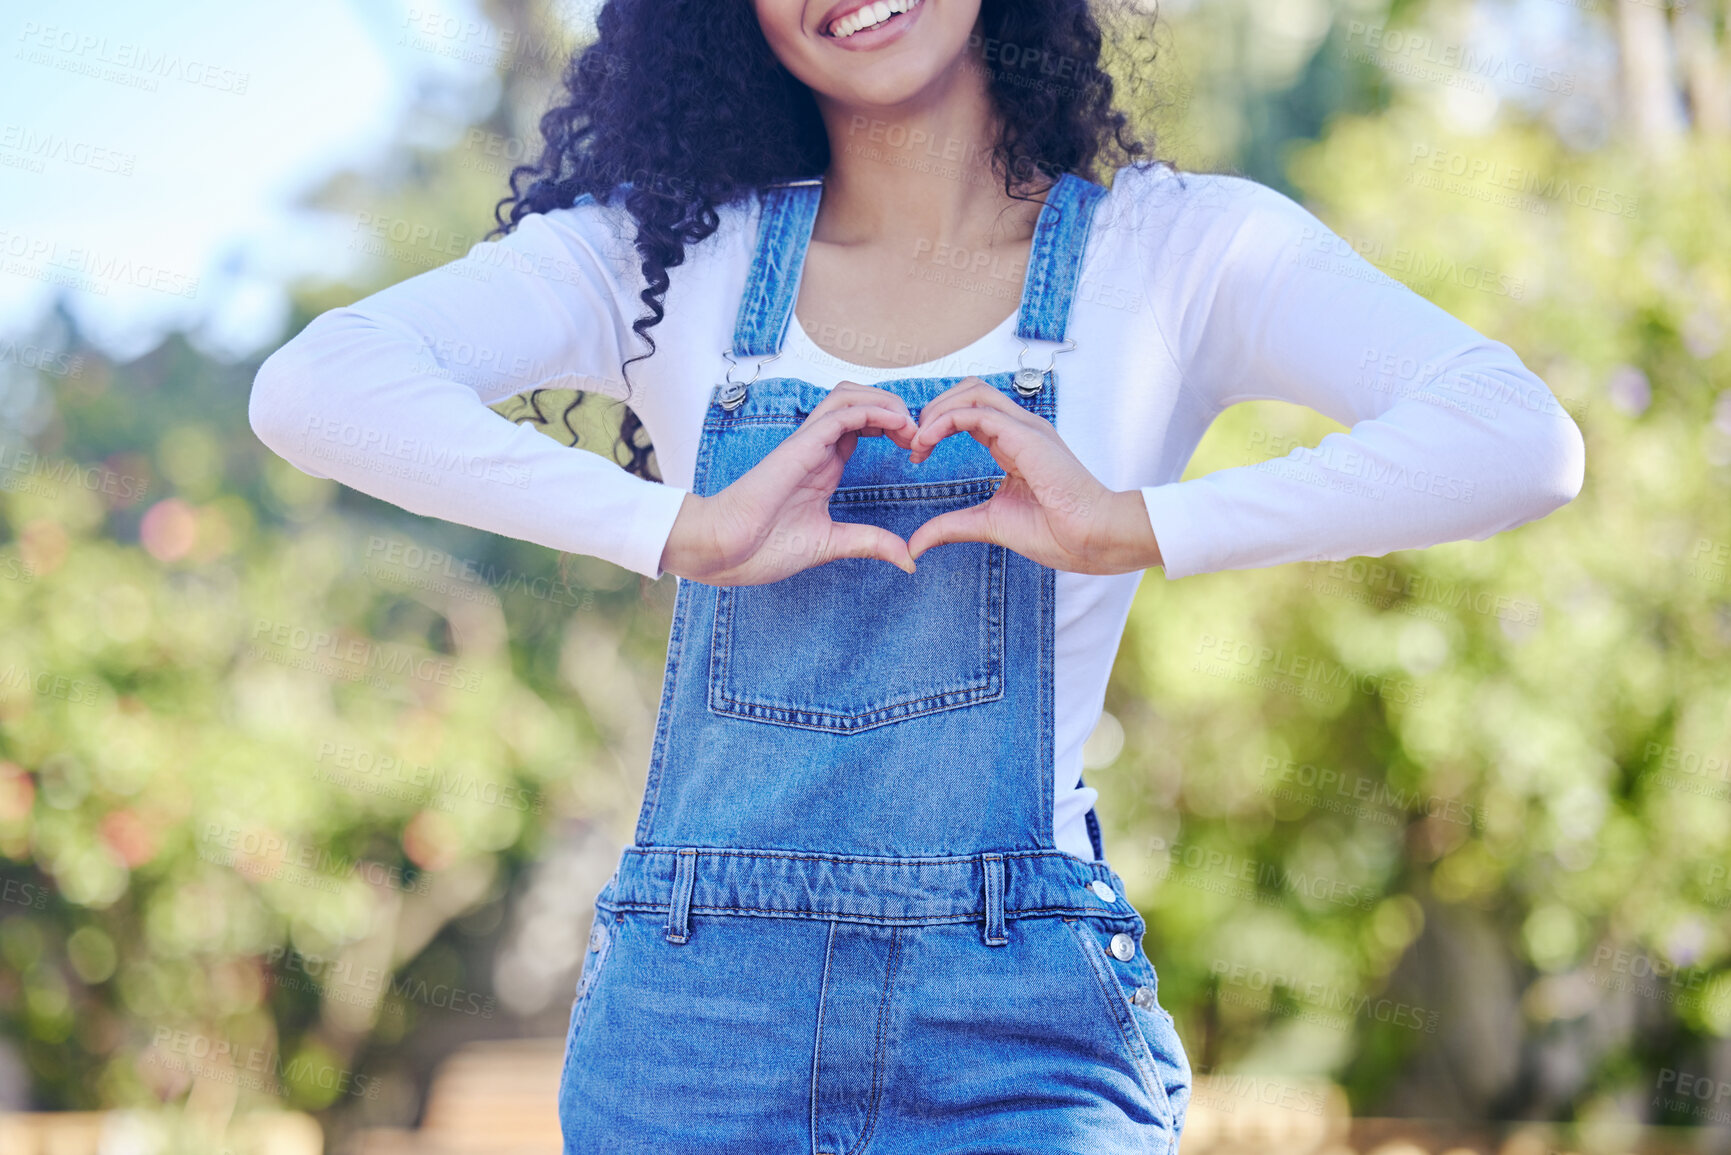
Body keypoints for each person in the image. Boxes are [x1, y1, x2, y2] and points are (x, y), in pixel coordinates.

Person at [248, 0, 1586, 1149]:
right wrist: (677, 530)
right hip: (691, 1038)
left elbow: (1517, 441)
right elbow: (318, 389)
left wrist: (1136, 523)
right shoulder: (665, 259)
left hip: (1021, 1036)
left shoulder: (1173, 254)